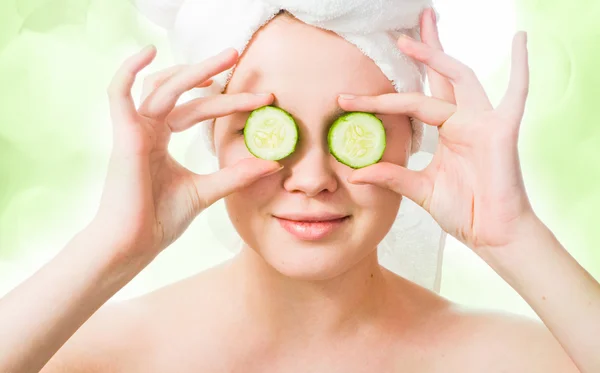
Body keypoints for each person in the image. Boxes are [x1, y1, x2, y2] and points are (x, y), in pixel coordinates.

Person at [0, 2, 598, 372]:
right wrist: (109, 247)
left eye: (352, 133)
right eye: (268, 132)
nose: (312, 180)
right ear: (212, 137)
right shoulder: (93, 356)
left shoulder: (500, 360)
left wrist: (514, 237)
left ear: (417, 137)